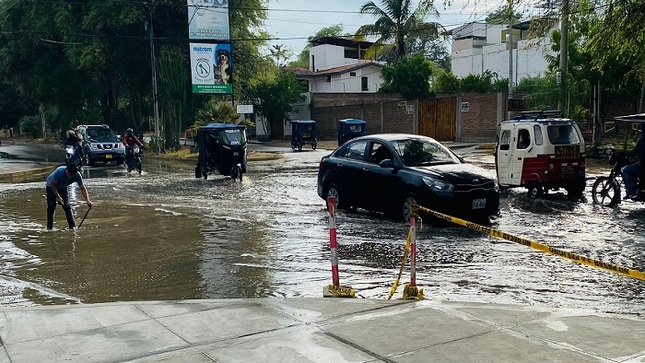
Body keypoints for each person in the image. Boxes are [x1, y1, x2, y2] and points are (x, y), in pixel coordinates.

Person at [45, 164, 92, 230]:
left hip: (63, 188)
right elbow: (52, 185)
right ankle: (49, 228)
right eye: (67, 173)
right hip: (51, 187)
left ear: (74, 174)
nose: (68, 175)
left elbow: (82, 188)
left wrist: (87, 200)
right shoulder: (60, 172)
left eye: (70, 175)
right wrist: (58, 197)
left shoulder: (77, 176)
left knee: (67, 206)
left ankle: (72, 227)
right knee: (51, 206)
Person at [621, 126, 645, 200]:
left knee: (626, 170)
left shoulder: (642, 140)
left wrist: (623, 153)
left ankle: (632, 192)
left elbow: (634, 152)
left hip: (643, 165)